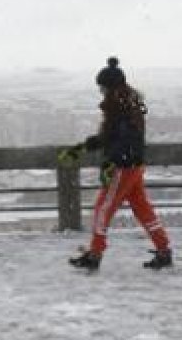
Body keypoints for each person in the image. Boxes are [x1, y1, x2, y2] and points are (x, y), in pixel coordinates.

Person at [65, 57, 173, 272]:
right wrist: (84, 147)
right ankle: (163, 250)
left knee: (102, 209)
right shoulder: (127, 104)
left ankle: (95, 254)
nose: (101, 92)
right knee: (143, 209)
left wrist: (111, 163)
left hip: (123, 167)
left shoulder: (120, 107)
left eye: (102, 88)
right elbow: (112, 137)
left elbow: (122, 140)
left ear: (110, 87)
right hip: (134, 165)